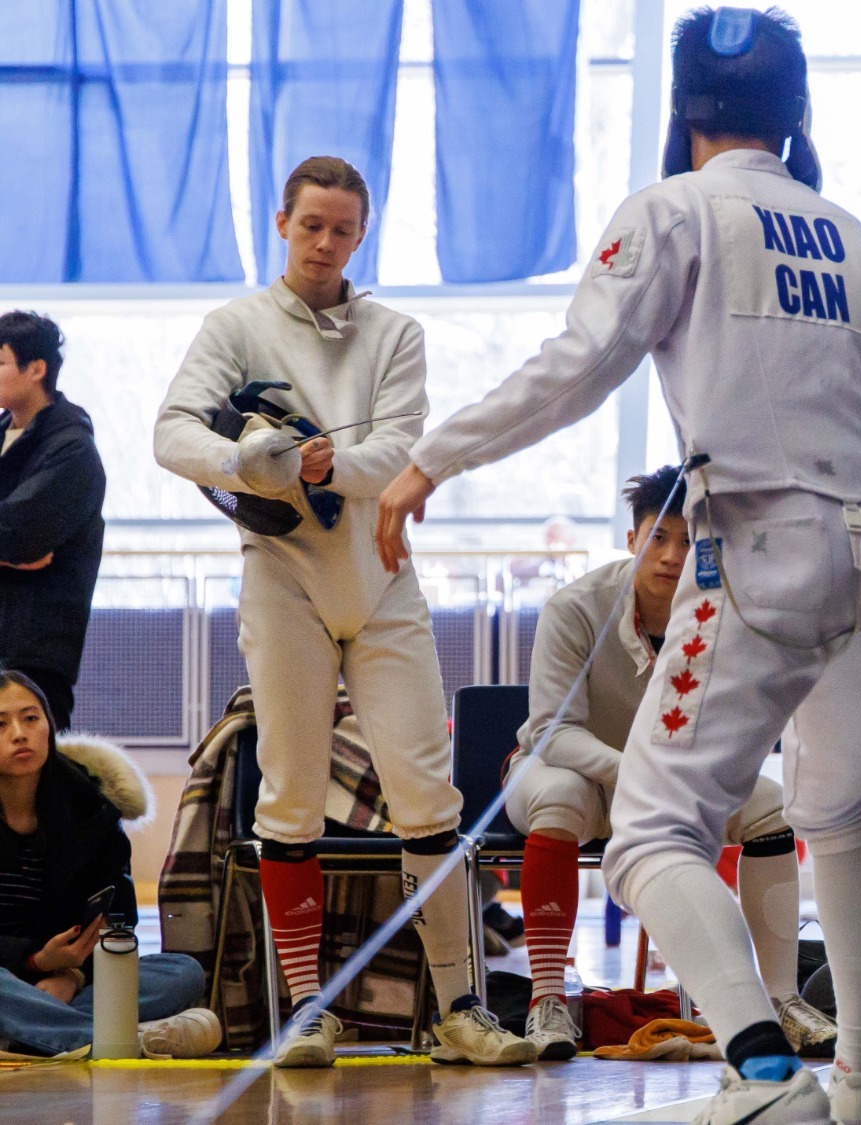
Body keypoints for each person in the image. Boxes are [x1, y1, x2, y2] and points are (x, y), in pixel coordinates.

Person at [371, 10, 861, 1122]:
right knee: (841, 810)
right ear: (796, 114)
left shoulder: (673, 213)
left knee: (654, 833)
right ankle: (858, 1082)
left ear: (685, 115)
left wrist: (433, 458)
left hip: (764, 550)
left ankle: (763, 1071)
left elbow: (576, 367)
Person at [153, 156, 532, 1067]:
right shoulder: (234, 326)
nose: (326, 243)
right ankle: (306, 1012)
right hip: (282, 574)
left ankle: (460, 1011)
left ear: (361, 235)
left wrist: (330, 466)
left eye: (344, 230)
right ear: (282, 222)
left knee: (428, 793)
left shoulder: (395, 332)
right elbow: (171, 433)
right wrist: (250, 459)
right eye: (312, 224)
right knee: (287, 792)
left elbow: (402, 443)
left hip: (383, 574)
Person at [507, 465, 835, 1060]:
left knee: (772, 811)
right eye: (658, 538)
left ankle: (782, 1001)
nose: (671, 556)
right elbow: (553, 734)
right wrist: (637, 769)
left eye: (689, 543)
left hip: (671, 782)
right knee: (557, 794)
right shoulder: (574, 608)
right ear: (632, 538)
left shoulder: (725, 615)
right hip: (571, 773)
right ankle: (548, 1000)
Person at [0, 672, 220, 1058]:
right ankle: (124, 1039)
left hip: (67, 982)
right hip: (9, 976)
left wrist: (71, 974)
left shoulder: (88, 806)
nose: (19, 734)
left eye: (31, 718)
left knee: (181, 973)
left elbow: (120, 916)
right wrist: (34, 962)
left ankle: (31, 1033)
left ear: (48, 725)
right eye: (0, 724)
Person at [0, 311, 106, 734]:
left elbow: (19, 534)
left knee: (34, 788)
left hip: (32, 652)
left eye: (1, 362)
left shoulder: (72, 449)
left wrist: (14, 549)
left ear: (36, 369)